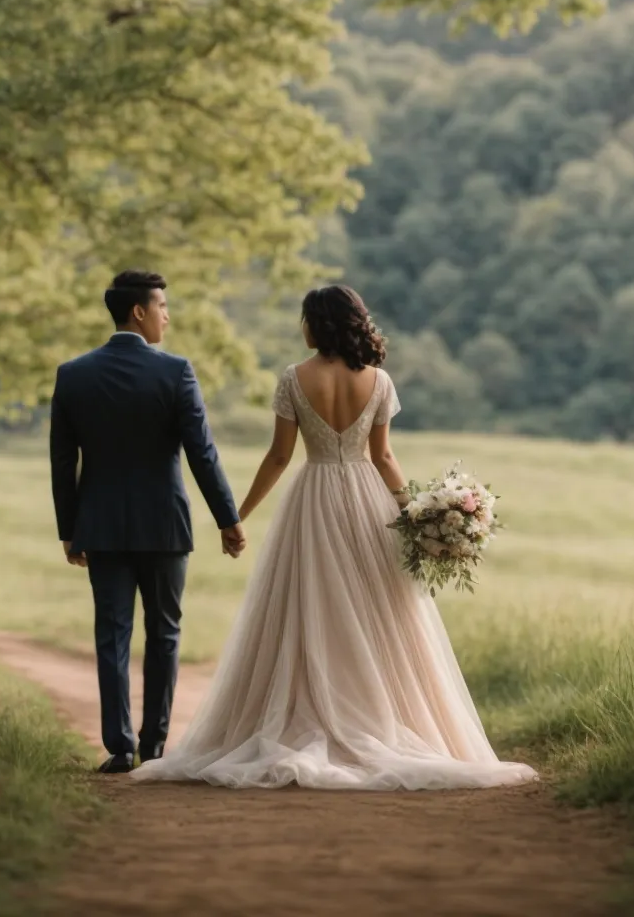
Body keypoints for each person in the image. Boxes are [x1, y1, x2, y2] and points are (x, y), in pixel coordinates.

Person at [133, 285, 536, 790]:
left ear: (317, 325)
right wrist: (414, 514)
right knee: (379, 611)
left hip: (314, 497)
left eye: (305, 319)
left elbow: (279, 457)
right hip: (368, 499)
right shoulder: (379, 380)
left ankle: (317, 707)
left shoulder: (294, 379)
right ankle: (374, 712)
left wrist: (237, 515)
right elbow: (385, 457)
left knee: (311, 608)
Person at [50, 270, 246, 774]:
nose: (166, 315)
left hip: (101, 525)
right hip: (164, 525)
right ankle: (155, 745)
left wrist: (69, 528)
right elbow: (201, 452)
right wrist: (228, 517)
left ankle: (118, 746)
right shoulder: (175, 371)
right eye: (161, 305)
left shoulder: (73, 375)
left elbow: (61, 460)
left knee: (111, 633)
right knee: (164, 633)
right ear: (138, 311)